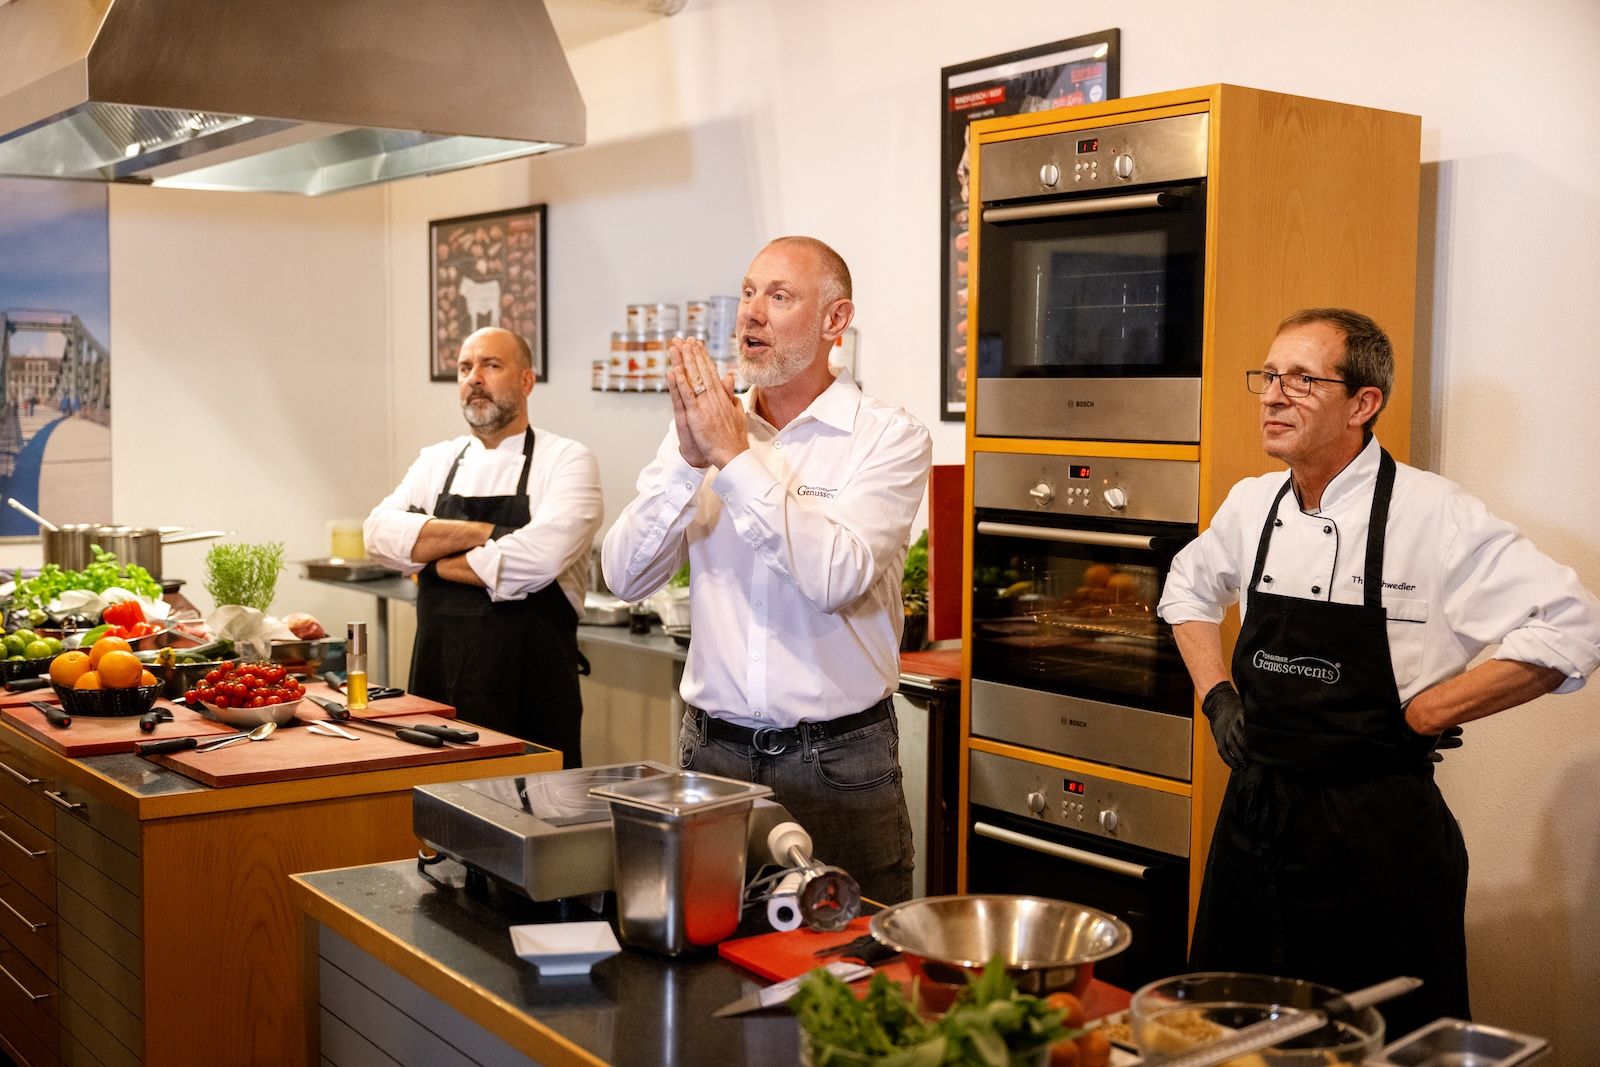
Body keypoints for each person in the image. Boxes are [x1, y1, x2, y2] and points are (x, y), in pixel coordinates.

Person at [1158, 308, 1600, 1036]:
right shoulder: (1253, 503)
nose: (1272, 395)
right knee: (1229, 1034)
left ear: (1364, 403)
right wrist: (1218, 697)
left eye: (1301, 379)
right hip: (1254, 822)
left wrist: (1429, 711)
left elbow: (1573, 622)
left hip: (1377, 843)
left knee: (1371, 1041)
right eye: (1268, 377)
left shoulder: (1435, 514)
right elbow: (1187, 590)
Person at [601, 236, 932, 904]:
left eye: (779, 297)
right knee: (703, 979)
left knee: (851, 976)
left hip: (840, 765)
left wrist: (732, 456)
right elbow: (623, 575)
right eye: (749, 293)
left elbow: (837, 577)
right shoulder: (703, 429)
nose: (751, 313)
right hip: (711, 759)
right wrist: (689, 463)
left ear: (835, 321)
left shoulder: (887, 437)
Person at [365, 326, 602, 767]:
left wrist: (428, 560)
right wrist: (488, 533)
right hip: (438, 695)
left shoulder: (567, 460)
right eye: (465, 368)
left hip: (533, 696)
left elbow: (536, 561)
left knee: (535, 819)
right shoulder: (436, 459)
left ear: (527, 381)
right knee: (442, 819)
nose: (475, 377)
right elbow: (377, 536)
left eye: (491, 365)